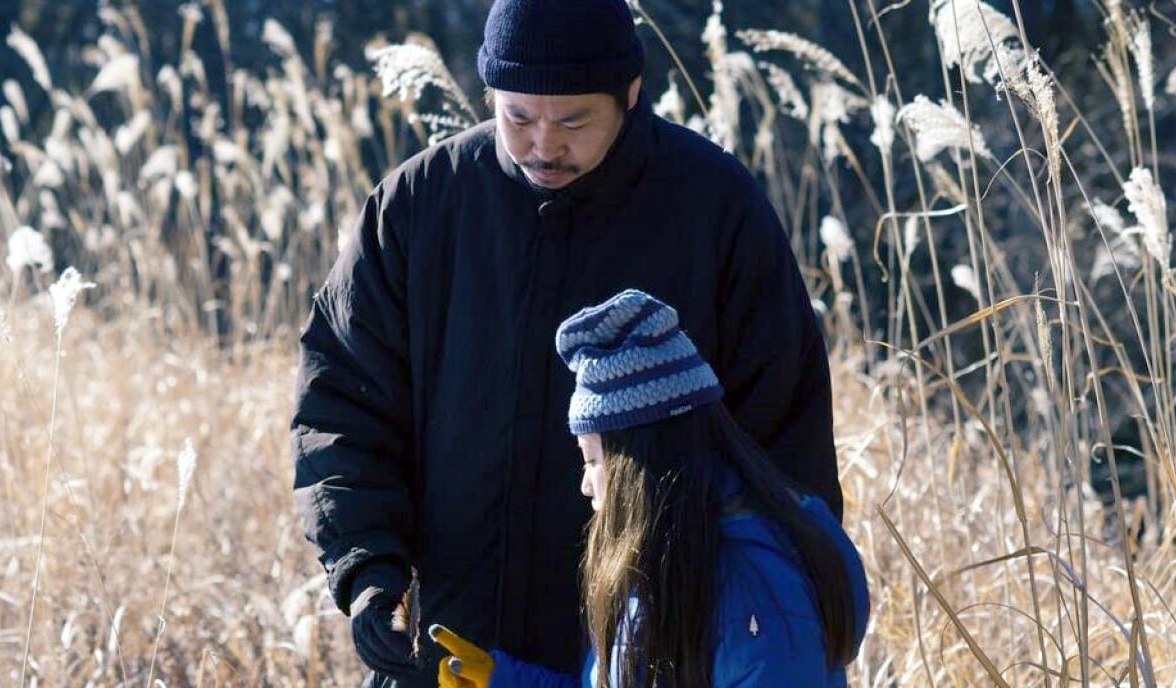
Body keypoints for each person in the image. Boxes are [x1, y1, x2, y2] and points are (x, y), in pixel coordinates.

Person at [290, 0, 844, 684]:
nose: (544, 145)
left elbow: (782, 451)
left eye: (574, 121)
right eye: (517, 118)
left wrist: (763, 618)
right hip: (451, 655)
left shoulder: (716, 209)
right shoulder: (420, 205)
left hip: (650, 648)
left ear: (631, 95)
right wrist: (367, 568)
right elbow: (342, 404)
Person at [426, 289, 869, 688]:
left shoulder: (756, 592)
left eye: (593, 458)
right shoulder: (669, 565)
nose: (585, 483)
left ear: (638, 465)